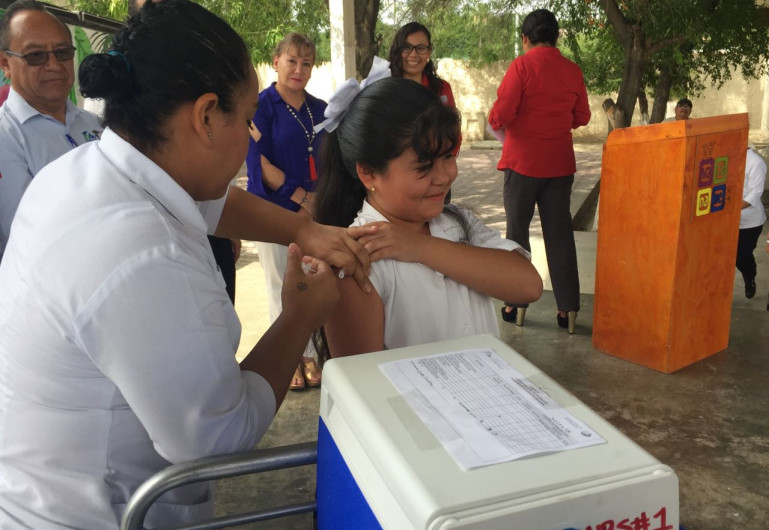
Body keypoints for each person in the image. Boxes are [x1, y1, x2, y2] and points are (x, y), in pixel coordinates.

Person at [0, 1, 375, 527]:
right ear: (204, 117)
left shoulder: (91, 167)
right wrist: (298, 318)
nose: (249, 135)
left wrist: (303, 228)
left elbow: (213, 202)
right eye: (245, 120)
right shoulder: (141, 255)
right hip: (92, 513)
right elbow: (216, 437)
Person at [313, 76, 542, 361]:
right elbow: (363, 384)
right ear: (369, 173)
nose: (445, 176)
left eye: (448, 156)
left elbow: (528, 286)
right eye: (424, 166)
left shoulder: (459, 222)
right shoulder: (357, 258)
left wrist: (418, 247)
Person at [488, 8, 591, 334]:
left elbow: (500, 114)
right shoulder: (572, 70)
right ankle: (568, 311)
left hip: (522, 164)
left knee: (517, 235)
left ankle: (515, 304)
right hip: (559, 165)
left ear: (524, 38)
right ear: (556, 35)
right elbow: (583, 116)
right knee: (560, 235)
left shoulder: (521, 66)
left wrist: (502, 122)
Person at [246, 32, 327, 390]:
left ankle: (313, 349)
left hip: (316, 208)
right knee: (282, 282)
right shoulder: (260, 107)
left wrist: (318, 199)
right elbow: (258, 161)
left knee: (312, 279)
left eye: (306, 63)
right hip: (277, 209)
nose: (298, 69)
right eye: (291, 61)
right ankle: (292, 356)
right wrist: (299, 196)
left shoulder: (321, 108)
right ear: (275, 61)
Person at [0, 0, 102, 260]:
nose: (54, 64)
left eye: (63, 52)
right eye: (36, 55)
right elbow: (29, 235)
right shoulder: (6, 136)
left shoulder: (94, 124)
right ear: (5, 64)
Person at [388, 21, 460, 202]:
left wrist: (443, 163)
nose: (413, 54)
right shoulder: (386, 88)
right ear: (398, 51)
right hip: (399, 176)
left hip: (436, 175)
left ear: (428, 52)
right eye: (407, 48)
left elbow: (453, 133)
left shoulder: (441, 89)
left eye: (420, 48)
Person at [737, 146, 767, 299]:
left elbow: (755, 193)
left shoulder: (755, 162)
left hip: (750, 222)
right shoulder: (727, 156)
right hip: (726, 221)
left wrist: (733, 209)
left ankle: (750, 277)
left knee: (741, 256)